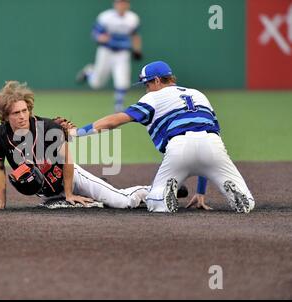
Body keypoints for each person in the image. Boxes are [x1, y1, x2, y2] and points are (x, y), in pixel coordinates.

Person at [72, 61, 255, 213]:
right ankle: (241, 196)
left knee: (154, 202)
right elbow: (208, 135)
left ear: (157, 81)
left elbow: (113, 121)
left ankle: (163, 197)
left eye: (147, 84)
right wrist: (200, 192)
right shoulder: (198, 94)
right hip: (213, 147)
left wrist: (77, 132)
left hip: (179, 147)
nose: (146, 89)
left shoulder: (152, 98)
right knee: (247, 201)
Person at [0, 81, 150, 211]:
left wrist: (69, 193)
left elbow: (67, 158)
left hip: (72, 178)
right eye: (16, 113)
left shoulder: (47, 127)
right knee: (94, 205)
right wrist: (0, 203)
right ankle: (94, 193)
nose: (23, 116)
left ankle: (152, 191)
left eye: (25, 110)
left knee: (122, 202)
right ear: (6, 116)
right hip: (47, 195)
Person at [76, 0, 142, 113]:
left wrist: (137, 49)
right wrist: (100, 37)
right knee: (97, 84)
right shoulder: (106, 17)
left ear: (128, 4)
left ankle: (118, 105)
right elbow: (95, 34)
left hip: (122, 52)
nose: (121, 5)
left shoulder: (132, 18)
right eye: (119, 2)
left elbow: (135, 35)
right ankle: (89, 73)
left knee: (122, 80)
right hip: (106, 51)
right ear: (115, 4)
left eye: (124, 2)